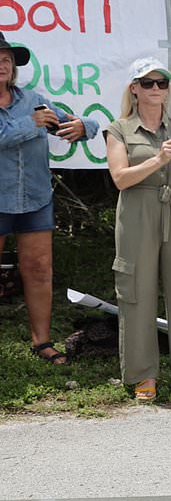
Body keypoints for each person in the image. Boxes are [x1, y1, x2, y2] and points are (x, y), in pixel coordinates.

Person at [105, 59, 171, 401]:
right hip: (138, 211)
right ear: (134, 88)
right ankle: (142, 374)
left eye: (161, 83)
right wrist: (159, 159)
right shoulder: (119, 129)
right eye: (147, 83)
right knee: (136, 292)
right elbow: (120, 178)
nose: (155, 89)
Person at [0, 35, 99, 364]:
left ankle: (42, 342)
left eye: (6, 58)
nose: (2, 63)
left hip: (36, 197)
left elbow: (74, 123)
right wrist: (31, 124)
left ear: (13, 67)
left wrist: (84, 125)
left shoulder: (33, 99)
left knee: (40, 269)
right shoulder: (32, 113)